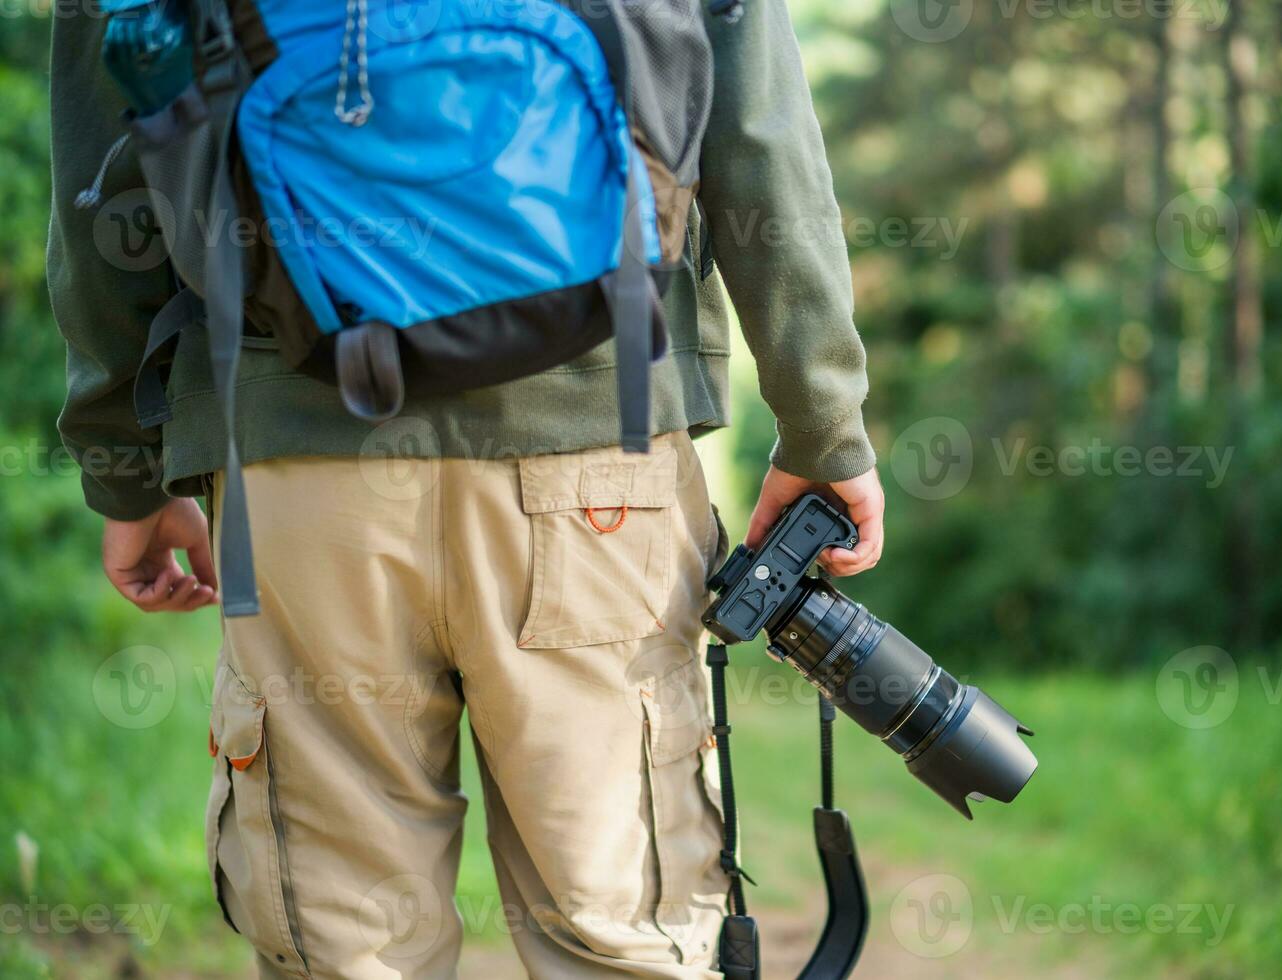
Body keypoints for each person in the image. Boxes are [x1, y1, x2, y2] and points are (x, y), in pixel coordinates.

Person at [48, 1, 883, 976]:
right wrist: (823, 424)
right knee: (623, 933)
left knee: (344, 938)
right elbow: (756, 126)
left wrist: (126, 468)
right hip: (597, 443)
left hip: (297, 454)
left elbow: (107, 167)